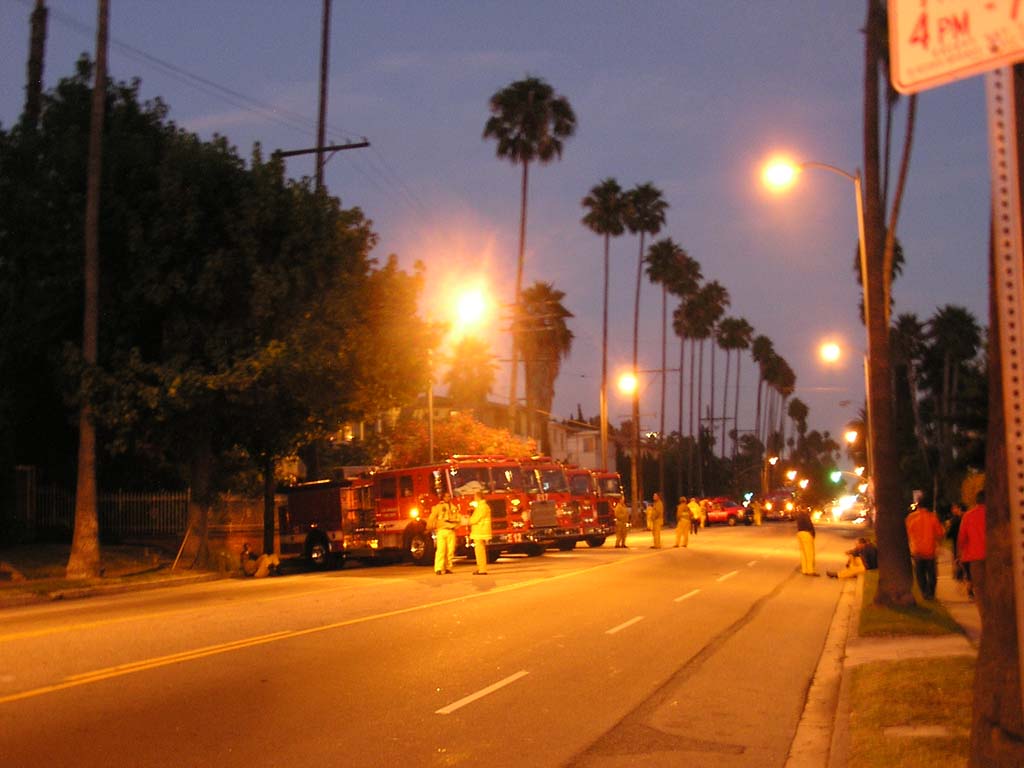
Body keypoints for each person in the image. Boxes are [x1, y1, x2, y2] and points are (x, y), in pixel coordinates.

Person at [905, 494, 944, 599]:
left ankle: (924, 592)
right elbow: (940, 534)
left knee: (920, 573)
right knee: (931, 573)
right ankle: (931, 592)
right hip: (930, 550)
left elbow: (907, 533)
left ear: (918, 505)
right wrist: (938, 544)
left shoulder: (911, 518)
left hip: (916, 550)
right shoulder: (932, 518)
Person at [958, 491, 986, 601]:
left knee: (976, 582)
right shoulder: (995, 514)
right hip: (992, 555)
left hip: (973, 556)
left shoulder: (968, 516)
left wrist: (960, 553)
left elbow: (962, 537)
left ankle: (973, 595)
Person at [428, 492, 460, 575]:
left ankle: (448, 567)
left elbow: (458, 518)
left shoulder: (454, 507)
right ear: (443, 497)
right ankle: (438, 568)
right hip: (441, 530)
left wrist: (456, 526)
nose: (448, 498)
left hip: (451, 531)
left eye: (449, 496)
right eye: (446, 496)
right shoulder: (438, 507)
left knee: (450, 551)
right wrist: (431, 526)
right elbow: (432, 517)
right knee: (441, 550)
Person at [469, 491, 492, 575]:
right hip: (481, 531)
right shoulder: (483, 506)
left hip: (480, 532)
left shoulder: (481, 507)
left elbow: (475, 519)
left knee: (479, 551)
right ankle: (481, 568)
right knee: (480, 551)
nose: (474, 498)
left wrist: (469, 520)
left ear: (478, 497)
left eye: (475, 496)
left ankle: (482, 569)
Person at [946, 502, 966, 583]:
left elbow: (949, 534)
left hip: (957, 542)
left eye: (954, 508)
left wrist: (948, 528)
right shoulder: (963, 517)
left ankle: (959, 575)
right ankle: (961, 575)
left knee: (958, 559)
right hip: (964, 542)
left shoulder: (955, 520)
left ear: (959, 509)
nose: (953, 510)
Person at [795, 508, 818, 576]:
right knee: (809, 554)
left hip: (800, 533)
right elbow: (809, 525)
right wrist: (812, 533)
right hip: (806, 534)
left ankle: (804, 570)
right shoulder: (805, 515)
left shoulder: (799, 515)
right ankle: (810, 571)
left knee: (803, 553)